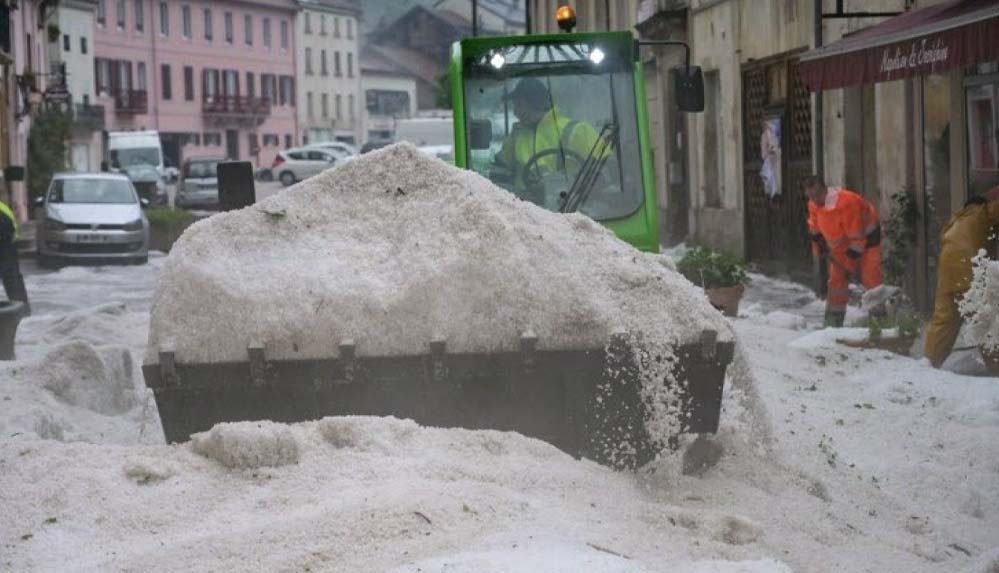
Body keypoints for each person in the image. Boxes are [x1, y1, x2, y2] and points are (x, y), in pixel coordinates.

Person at [490, 78, 603, 206]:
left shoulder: (578, 131)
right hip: (523, 214)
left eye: (519, 105)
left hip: (570, 209)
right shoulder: (517, 135)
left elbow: (605, 173)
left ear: (535, 103)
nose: (516, 112)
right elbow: (500, 170)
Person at [924, 186, 999, 368]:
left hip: (949, 265)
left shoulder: (962, 217)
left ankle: (928, 363)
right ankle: (996, 366)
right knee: (984, 318)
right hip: (969, 265)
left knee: (945, 319)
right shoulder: (987, 211)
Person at [802, 176, 882, 327]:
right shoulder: (813, 204)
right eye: (810, 196)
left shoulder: (847, 203)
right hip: (842, 245)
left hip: (868, 239)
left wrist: (849, 265)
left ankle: (880, 322)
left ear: (825, 189)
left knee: (871, 278)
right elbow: (814, 226)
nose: (815, 199)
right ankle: (833, 324)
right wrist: (817, 245)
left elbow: (857, 238)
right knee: (836, 282)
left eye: (817, 194)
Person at [0, 198, 29, 314]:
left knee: (12, 281)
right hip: (8, 247)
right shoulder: (3, 207)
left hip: (5, 248)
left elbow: (6, 229)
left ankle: (22, 315)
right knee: (13, 282)